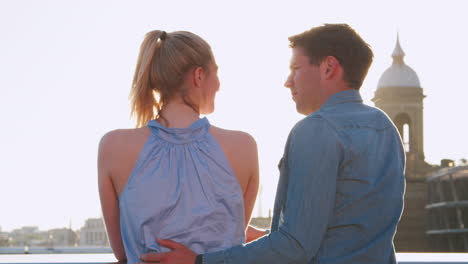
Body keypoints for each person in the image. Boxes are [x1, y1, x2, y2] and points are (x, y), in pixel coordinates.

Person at [139, 24, 405, 264]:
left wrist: (199, 261)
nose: (288, 81)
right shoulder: (385, 127)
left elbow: (296, 247)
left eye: (295, 69)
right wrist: (266, 236)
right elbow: (347, 230)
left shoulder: (315, 130)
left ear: (328, 67)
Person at [97, 30, 259, 264]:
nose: (220, 85)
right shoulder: (244, 146)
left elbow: (123, 254)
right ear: (199, 76)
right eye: (217, 72)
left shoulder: (112, 146)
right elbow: (230, 248)